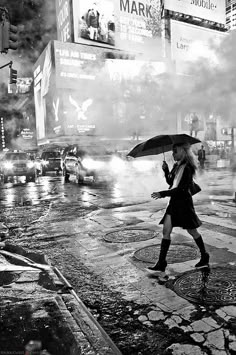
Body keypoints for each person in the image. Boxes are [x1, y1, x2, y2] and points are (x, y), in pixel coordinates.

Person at [147, 143, 209, 278]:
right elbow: (171, 182)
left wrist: (162, 193)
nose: (173, 154)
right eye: (172, 152)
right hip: (173, 203)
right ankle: (161, 262)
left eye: (175, 151)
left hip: (184, 204)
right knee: (166, 231)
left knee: (192, 231)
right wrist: (165, 170)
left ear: (183, 151)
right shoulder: (177, 166)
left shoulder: (188, 168)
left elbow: (181, 189)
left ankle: (204, 255)